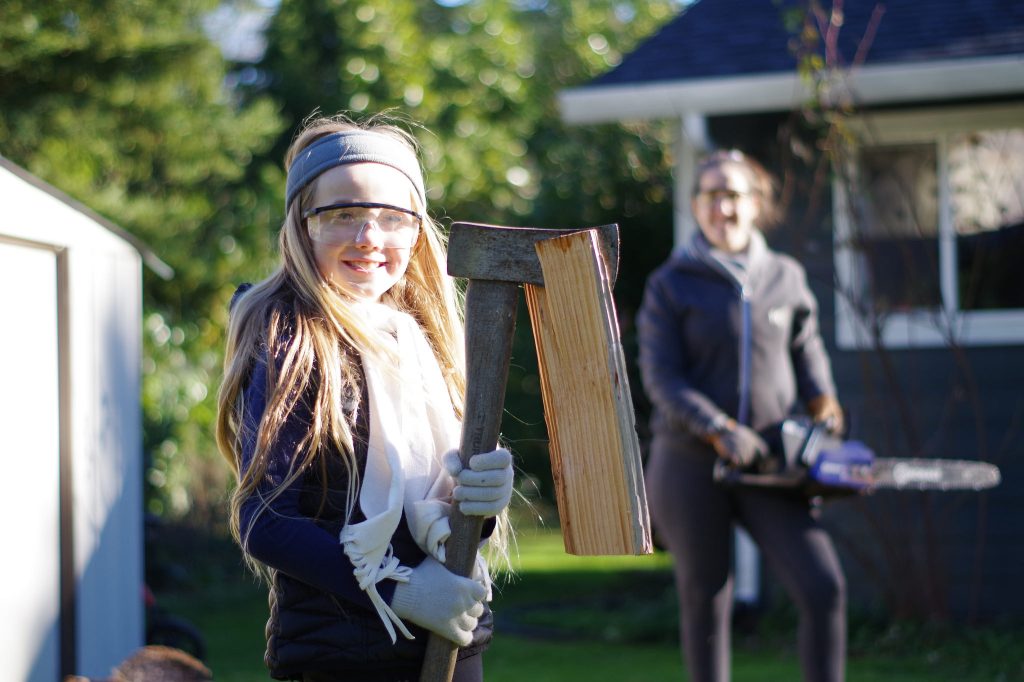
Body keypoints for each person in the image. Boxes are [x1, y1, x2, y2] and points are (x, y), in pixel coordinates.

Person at [215, 112, 514, 682]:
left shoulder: (421, 340)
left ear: (417, 229)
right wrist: (397, 588)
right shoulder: (291, 339)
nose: (368, 238)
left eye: (391, 218)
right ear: (303, 226)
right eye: (342, 214)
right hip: (344, 658)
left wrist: (483, 499)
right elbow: (267, 520)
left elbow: (433, 507)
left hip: (452, 645)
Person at [636, 149, 847, 682]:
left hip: (769, 461)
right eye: (709, 194)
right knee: (707, 601)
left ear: (755, 204)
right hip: (689, 464)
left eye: (732, 193)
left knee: (823, 587)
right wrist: (718, 428)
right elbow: (663, 380)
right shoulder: (672, 282)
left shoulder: (785, 277)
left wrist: (825, 403)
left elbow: (808, 352)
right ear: (696, 206)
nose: (720, 206)